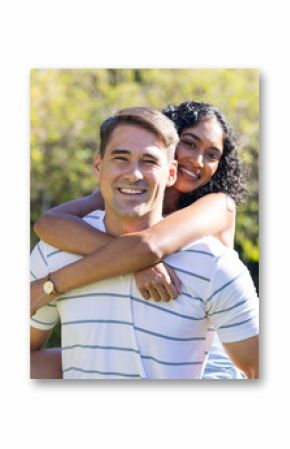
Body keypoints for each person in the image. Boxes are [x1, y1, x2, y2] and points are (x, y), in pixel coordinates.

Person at [30, 106, 259, 379]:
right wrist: (134, 265)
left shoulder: (217, 206)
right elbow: (50, 223)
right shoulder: (127, 185)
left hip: (209, 362)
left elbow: (148, 247)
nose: (198, 160)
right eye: (189, 144)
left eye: (212, 155)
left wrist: (52, 285)